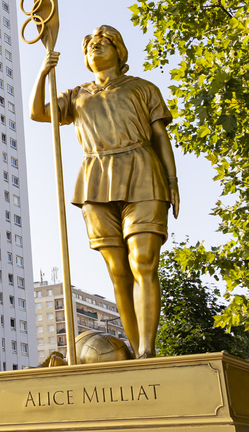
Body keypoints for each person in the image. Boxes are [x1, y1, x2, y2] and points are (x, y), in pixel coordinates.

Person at [30, 25, 178, 358]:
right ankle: (137, 346)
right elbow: (38, 113)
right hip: (95, 178)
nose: (96, 47)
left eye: (104, 43)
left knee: (143, 261)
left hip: (142, 171)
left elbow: (160, 137)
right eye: (90, 45)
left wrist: (173, 180)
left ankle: (146, 350)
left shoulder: (143, 89)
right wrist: (43, 73)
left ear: (119, 51)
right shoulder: (76, 94)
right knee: (117, 270)